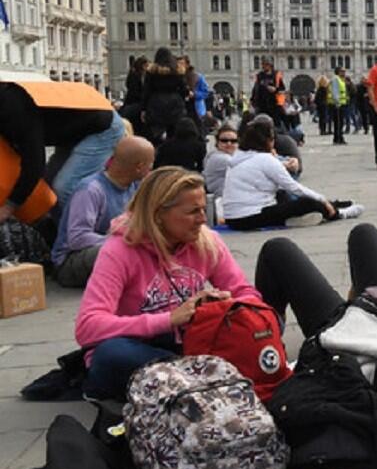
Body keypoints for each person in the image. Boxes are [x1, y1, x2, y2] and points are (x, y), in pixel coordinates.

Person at [73, 167, 263, 400]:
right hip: (142, 347)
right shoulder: (119, 250)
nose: (203, 219)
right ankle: (207, 375)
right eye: (193, 212)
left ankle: (197, 376)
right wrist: (168, 320)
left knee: (260, 325)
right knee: (111, 355)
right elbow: (88, 326)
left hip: (189, 344)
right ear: (158, 214)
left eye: (204, 209)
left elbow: (245, 293)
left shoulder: (207, 239)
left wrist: (227, 306)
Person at [0, 81, 126, 225]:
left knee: (65, 188)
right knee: (49, 187)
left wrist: (9, 206)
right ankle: (58, 233)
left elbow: (34, 163)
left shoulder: (13, 107)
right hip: (72, 130)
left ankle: (100, 233)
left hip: (102, 127)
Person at [50, 136, 155, 288]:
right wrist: (125, 240)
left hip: (115, 245)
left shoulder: (136, 186)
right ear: (139, 166)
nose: (151, 168)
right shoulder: (90, 190)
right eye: (150, 164)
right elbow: (78, 238)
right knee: (123, 250)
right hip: (70, 262)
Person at [222, 116, 362, 230]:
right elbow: (294, 188)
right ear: (267, 141)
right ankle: (337, 213)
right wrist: (321, 199)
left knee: (284, 196)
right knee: (306, 202)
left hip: (232, 218)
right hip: (252, 216)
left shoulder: (238, 158)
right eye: (272, 139)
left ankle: (325, 207)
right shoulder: (264, 159)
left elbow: (262, 170)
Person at [141, 47, 189, 145]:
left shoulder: (151, 71)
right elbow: (184, 90)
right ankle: (172, 153)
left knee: (155, 134)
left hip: (156, 104)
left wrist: (144, 109)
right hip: (175, 103)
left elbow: (146, 91)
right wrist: (182, 100)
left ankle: (158, 153)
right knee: (174, 133)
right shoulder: (178, 71)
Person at [203, 123, 239, 197]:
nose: (229, 143)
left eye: (233, 141)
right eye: (224, 140)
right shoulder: (219, 158)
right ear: (217, 142)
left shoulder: (227, 156)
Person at [119, 56, 148, 136]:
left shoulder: (133, 74)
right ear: (142, 66)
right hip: (135, 105)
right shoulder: (137, 76)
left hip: (130, 104)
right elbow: (135, 91)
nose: (147, 68)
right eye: (146, 65)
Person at [328, 67, 350, 146]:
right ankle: (338, 138)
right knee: (338, 122)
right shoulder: (335, 79)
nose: (344, 73)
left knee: (340, 122)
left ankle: (339, 137)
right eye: (342, 71)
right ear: (338, 72)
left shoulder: (340, 79)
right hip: (338, 104)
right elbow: (335, 91)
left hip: (342, 103)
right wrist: (337, 102)